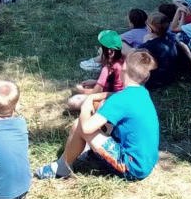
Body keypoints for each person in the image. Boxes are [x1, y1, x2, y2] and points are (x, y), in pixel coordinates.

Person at [34, 50, 160, 181]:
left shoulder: (120, 100)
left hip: (131, 168)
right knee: (102, 110)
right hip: (146, 161)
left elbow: (86, 128)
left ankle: (62, 168)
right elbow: (115, 96)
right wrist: (94, 97)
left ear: (124, 68)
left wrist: (85, 107)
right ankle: (87, 152)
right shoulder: (141, 92)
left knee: (79, 124)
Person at [68, 31, 126, 110]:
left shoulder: (108, 68)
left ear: (108, 51)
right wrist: (95, 81)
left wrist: (82, 90)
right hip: (124, 96)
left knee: (73, 101)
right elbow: (115, 81)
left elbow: (96, 92)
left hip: (114, 99)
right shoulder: (124, 60)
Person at [138, 12, 178, 89]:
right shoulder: (171, 37)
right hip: (171, 75)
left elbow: (139, 58)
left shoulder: (149, 45)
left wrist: (145, 41)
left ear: (149, 29)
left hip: (156, 81)